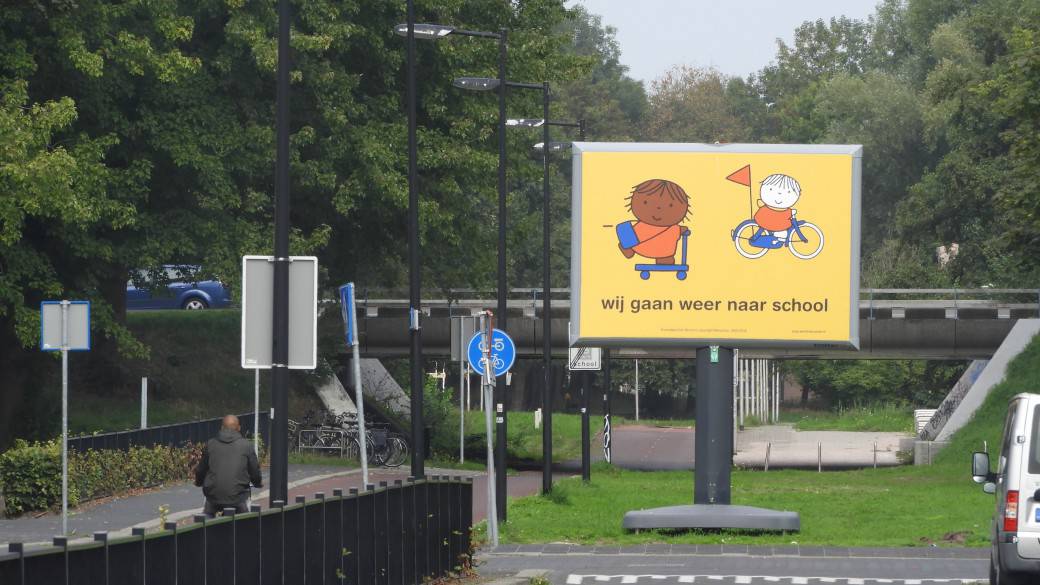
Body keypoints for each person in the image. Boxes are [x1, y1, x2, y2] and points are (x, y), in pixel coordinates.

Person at [194, 414, 263, 516]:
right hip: (238, 497)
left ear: (222, 428)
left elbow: (201, 470)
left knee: (207, 516)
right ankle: (248, 527)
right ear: (239, 428)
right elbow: (254, 471)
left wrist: (198, 482)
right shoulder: (246, 445)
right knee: (247, 521)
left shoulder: (211, 444)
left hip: (214, 496)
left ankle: (206, 526)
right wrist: (258, 483)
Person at [617, 178, 692, 265]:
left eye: (670, 206)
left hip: (644, 249)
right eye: (646, 202)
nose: (658, 209)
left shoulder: (670, 228)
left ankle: (628, 248)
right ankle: (664, 259)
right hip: (660, 251)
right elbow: (681, 230)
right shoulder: (672, 228)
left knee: (628, 231)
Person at [753, 173, 801, 243]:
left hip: (766, 219)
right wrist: (790, 212)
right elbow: (780, 213)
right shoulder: (770, 209)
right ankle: (776, 236)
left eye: (788, 192)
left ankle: (776, 236)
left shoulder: (769, 208)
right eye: (771, 189)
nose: (779, 194)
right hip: (767, 221)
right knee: (783, 231)